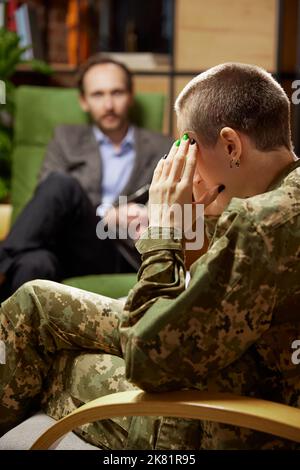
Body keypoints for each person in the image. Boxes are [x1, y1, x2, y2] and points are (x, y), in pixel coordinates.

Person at [1, 62, 300, 450]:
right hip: (236, 363)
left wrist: (163, 229)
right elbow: (230, 299)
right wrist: (200, 224)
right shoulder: (279, 198)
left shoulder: (257, 224)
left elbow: (147, 357)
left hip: (231, 416)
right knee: (37, 297)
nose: (187, 170)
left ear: (231, 146)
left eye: (189, 148)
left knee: (59, 359)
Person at [0, 55, 173, 301]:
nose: (109, 105)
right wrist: (106, 214)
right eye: (98, 95)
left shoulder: (161, 147)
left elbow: (173, 206)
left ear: (131, 95)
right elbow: (47, 197)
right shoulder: (66, 139)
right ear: (83, 101)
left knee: (63, 183)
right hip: (65, 243)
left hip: (118, 249)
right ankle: (7, 338)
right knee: (35, 264)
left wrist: (141, 215)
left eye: (117, 93)